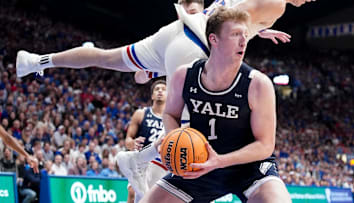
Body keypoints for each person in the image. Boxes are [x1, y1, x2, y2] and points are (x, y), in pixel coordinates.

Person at [140, 8, 291, 203]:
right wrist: (174, 140)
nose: (244, 41)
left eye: (245, 35)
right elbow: (170, 114)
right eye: (236, 34)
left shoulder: (258, 84)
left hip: (248, 168)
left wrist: (220, 161)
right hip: (198, 162)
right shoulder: (184, 75)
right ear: (214, 39)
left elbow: (265, 145)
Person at [15, 0, 300, 79]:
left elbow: (235, 12)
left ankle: (34, 61)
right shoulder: (278, 5)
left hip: (179, 31)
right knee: (189, 132)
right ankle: (139, 160)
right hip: (196, 46)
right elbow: (231, 22)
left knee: (106, 57)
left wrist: (257, 30)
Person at [117, 80, 168, 203]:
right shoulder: (141, 113)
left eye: (163, 89)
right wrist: (132, 143)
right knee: (132, 193)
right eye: (157, 89)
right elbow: (128, 139)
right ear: (152, 96)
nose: (160, 91)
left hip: (162, 163)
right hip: (143, 162)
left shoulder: (171, 117)